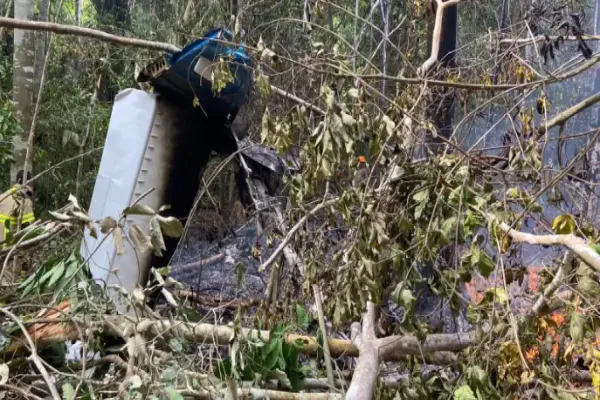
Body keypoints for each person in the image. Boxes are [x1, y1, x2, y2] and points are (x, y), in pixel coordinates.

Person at [0, 170, 35, 244]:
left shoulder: (2, 196)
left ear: (18, 180)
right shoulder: (25, 201)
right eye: (30, 184)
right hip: (9, 244)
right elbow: (29, 227)